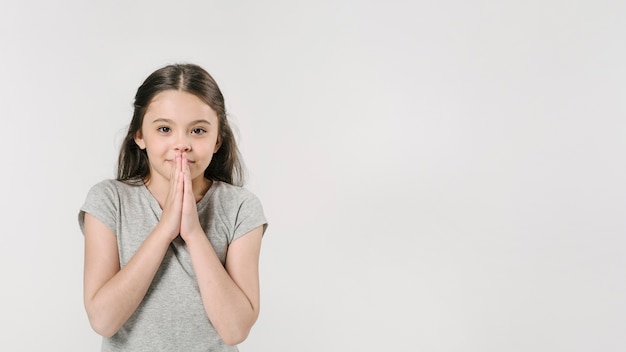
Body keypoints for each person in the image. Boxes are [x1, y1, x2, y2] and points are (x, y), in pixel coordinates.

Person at [78, 63, 267, 352]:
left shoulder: (240, 207)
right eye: (164, 128)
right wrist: (165, 229)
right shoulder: (109, 200)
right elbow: (103, 320)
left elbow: (235, 329)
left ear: (218, 139)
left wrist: (193, 233)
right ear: (139, 136)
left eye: (198, 130)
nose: (182, 144)